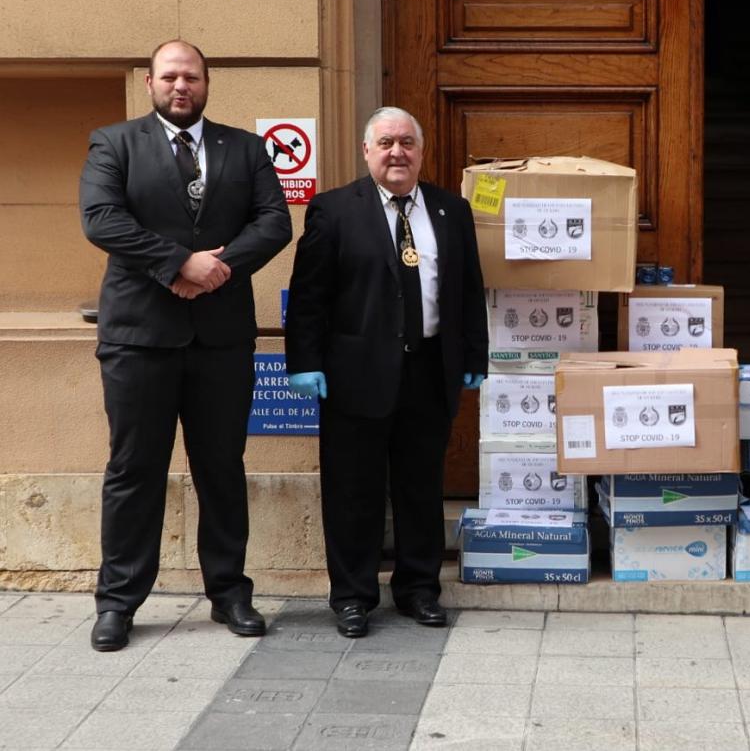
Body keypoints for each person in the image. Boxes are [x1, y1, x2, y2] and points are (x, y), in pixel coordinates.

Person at [79, 40, 292, 651]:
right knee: (133, 469)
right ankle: (118, 602)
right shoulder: (113, 143)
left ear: (207, 82)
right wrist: (178, 264)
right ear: (149, 82)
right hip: (139, 339)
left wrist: (217, 269)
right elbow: (101, 219)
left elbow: (273, 221)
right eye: (169, 76)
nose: (181, 86)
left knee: (221, 469)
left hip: (220, 339)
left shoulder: (245, 148)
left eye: (191, 76)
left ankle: (229, 593)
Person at [284, 107, 488, 638]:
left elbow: (468, 291)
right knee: (354, 489)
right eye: (386, 143)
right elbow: (309, 297)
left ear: (420, 151)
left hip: (429, 370)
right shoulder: (333, 210)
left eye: (407, 143)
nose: (397, 152)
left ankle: (419, 590)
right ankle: (352, 596)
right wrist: (304, 363)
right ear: (366, 151)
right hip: (355, 375)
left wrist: (474, 357)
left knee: (421, 486)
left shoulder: (451, 210)